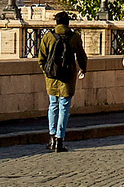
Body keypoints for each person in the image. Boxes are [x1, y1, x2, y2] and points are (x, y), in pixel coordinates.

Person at [34, 11, 89, 153]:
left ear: (56, 22)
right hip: (68, 77)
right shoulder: (74, 37)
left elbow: (41, 58)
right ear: (67, 23)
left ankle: (52, 137)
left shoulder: (48, 37)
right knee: (64, 107)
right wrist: (83, 69)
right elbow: (81, 56)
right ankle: (60, 139)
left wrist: (47, 72)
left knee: (53, 105)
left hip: (52, 77)